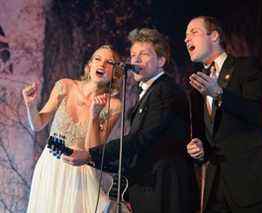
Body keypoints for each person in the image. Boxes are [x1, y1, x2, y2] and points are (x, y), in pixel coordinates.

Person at [63, 28, 200, 213]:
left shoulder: (165, 91)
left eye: (143, 55)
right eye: (133, 54)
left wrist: (91, 154)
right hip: (149, 189)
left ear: (161, 61)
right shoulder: (150, 92)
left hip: (163, 191)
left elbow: (142, 139)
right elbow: (137, 149)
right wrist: (95, 161)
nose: (135, 60)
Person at [185, 16, 262, 213]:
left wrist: (220, 93)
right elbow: (206, 136)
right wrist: (198, 148)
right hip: (215, 190)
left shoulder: (247, 67)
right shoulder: (196, 86)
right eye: (185, 36)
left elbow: (256, 114)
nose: (186, 39)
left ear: (214, 36)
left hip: (251, 186)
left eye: (193, 32)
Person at [22, 45, 123, 213]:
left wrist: (94, 116)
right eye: (97, 59)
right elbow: (38, 124)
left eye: (109, 62)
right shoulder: (65, 86)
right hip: (50, 166)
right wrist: (30, 106)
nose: (102, 64)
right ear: (89, 65)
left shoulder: (114, 106)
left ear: (116, 72)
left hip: (80, 173)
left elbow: (95, 150)